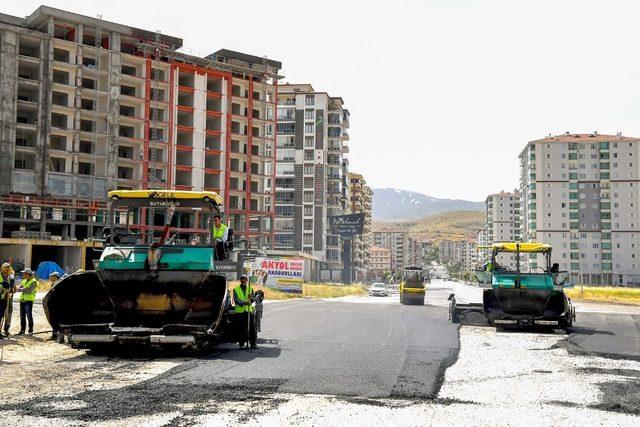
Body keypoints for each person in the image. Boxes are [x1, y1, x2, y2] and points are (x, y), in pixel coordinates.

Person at [233, 274, 257, 349]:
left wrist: (251, 298)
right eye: (242, 279)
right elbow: (236, 300)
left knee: (252, 328)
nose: (243, 280)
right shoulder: (236, 289)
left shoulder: (250, 289)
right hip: (240, 312)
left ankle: (253, 344)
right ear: (240, 280)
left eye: (245, 279)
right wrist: (244, 303)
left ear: (247, 280)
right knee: (241, 329)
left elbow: (253, 299)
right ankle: (242, 344)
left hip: (248, 312)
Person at [17, 268, 38, 335]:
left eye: (24, 273)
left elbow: (28, 290)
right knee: (22, 316)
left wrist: (19, 289)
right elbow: (20, 288)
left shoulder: (34, 281)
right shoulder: (24, 281)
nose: (23, 275)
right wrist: (18, 289)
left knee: (29, 316)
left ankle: (30, 330)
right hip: (22, 300)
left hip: (29, 300)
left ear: (28, 274)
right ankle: (22, 330)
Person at [0, 262, 15, 338]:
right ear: (2, 268)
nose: (7, 269)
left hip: (6, 299)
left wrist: (11, 291)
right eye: (5, 267)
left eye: (8, 268)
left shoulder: (10, 278)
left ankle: (3, 330)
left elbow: (13, 289)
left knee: (3, 315)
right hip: (1, 297)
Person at [48, 272, 61, 340]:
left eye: (52, 276)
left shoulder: (56, 284)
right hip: (55, 305)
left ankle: (55, 334)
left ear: (55, 277)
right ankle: (55, 333)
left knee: (54, 319)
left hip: (55, 305)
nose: (50, 277)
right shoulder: (55, 283)